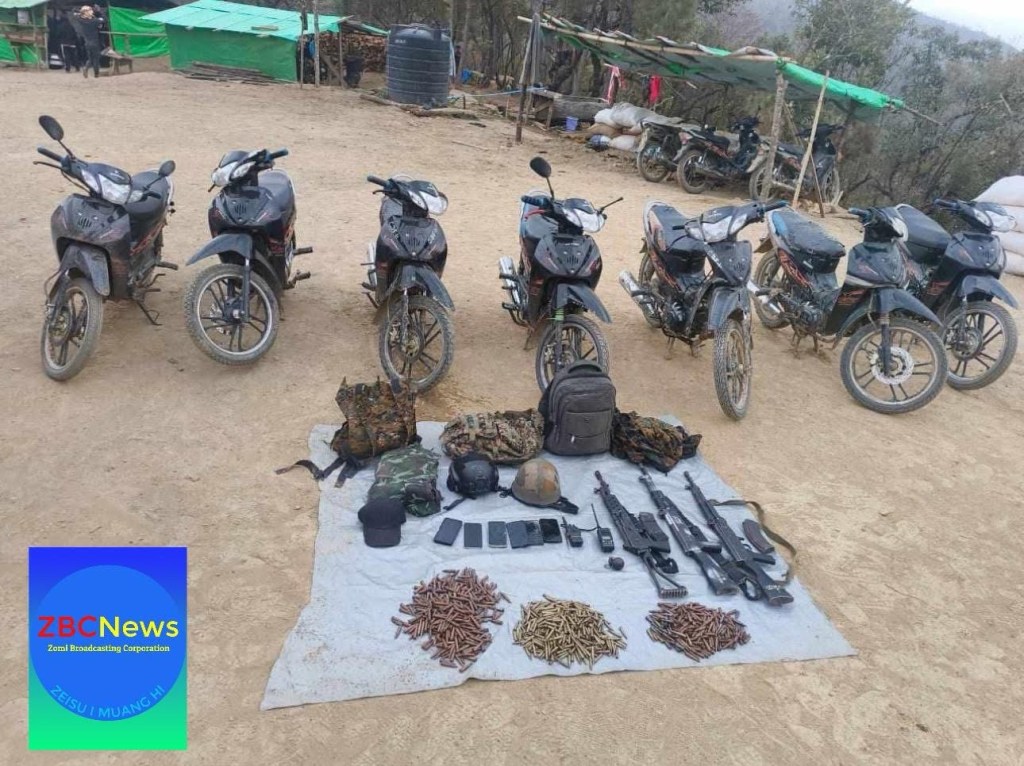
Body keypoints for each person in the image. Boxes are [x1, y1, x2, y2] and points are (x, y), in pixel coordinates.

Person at [72, 5, 104, 78]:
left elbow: (75, 13)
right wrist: (99, 11)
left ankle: (86, 68)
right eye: (90, 10)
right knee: (96, 59)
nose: (92, 11)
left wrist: (81, 13)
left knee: (90, 59)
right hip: (95, 42)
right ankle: (96, 74)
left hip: (87, 43)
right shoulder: (94, 21)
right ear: (87, 12)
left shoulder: (81, 20)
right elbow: (104, 19)